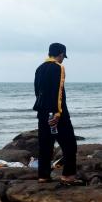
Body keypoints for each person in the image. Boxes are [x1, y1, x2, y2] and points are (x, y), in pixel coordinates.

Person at [33, 43, 78, 184]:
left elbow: (37, 92)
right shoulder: (58, 67)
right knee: (70, 145)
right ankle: (68, 175)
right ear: (60, 54)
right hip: (57, 113)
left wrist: (46, 111)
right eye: (63, 56)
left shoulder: (39, 68)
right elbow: (58, 92)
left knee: (45, 145)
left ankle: (43, 176)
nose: (63, 59)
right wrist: (57, 113)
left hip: (42, 111)